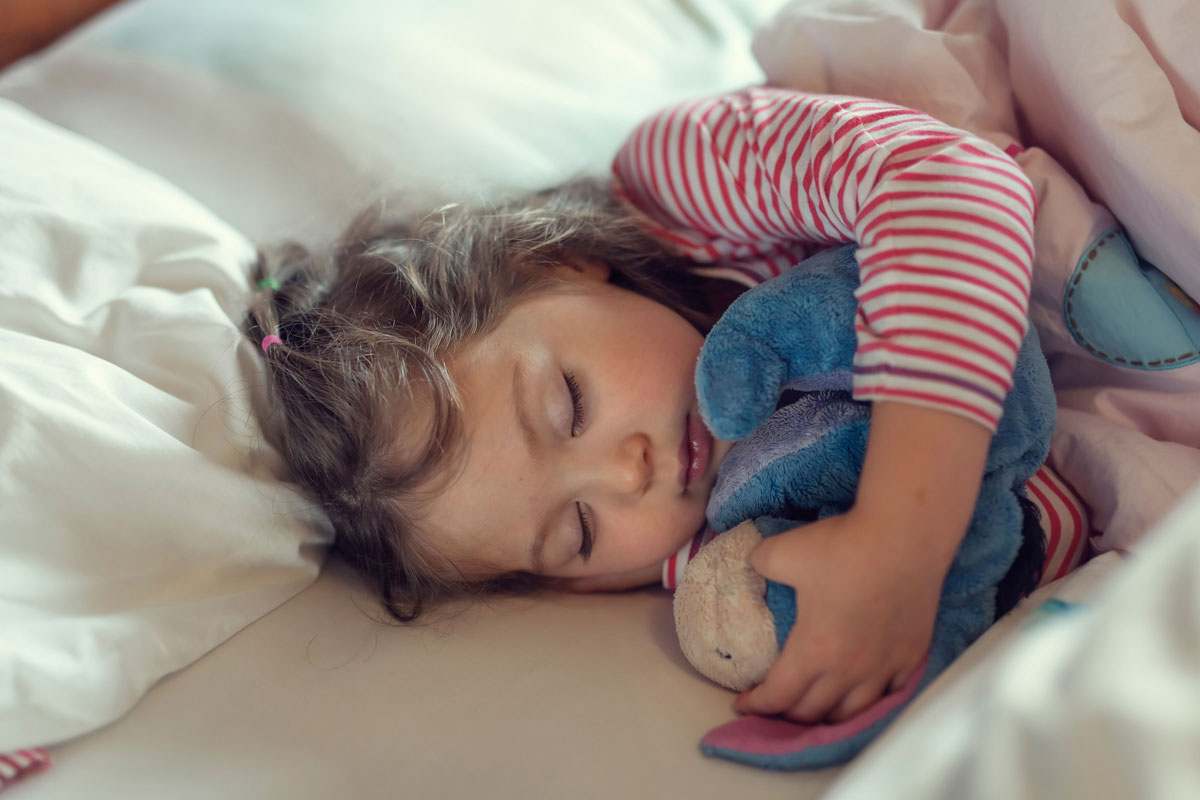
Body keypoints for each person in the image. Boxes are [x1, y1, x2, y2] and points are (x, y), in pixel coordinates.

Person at [244, 87, 1061, 726]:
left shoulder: (690, 173)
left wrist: (901, 537)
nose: (627, 474)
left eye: (570, 405)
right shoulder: (717, 547)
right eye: (578, 531)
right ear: (579, 589)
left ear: (556, 263)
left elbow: (951, 179)